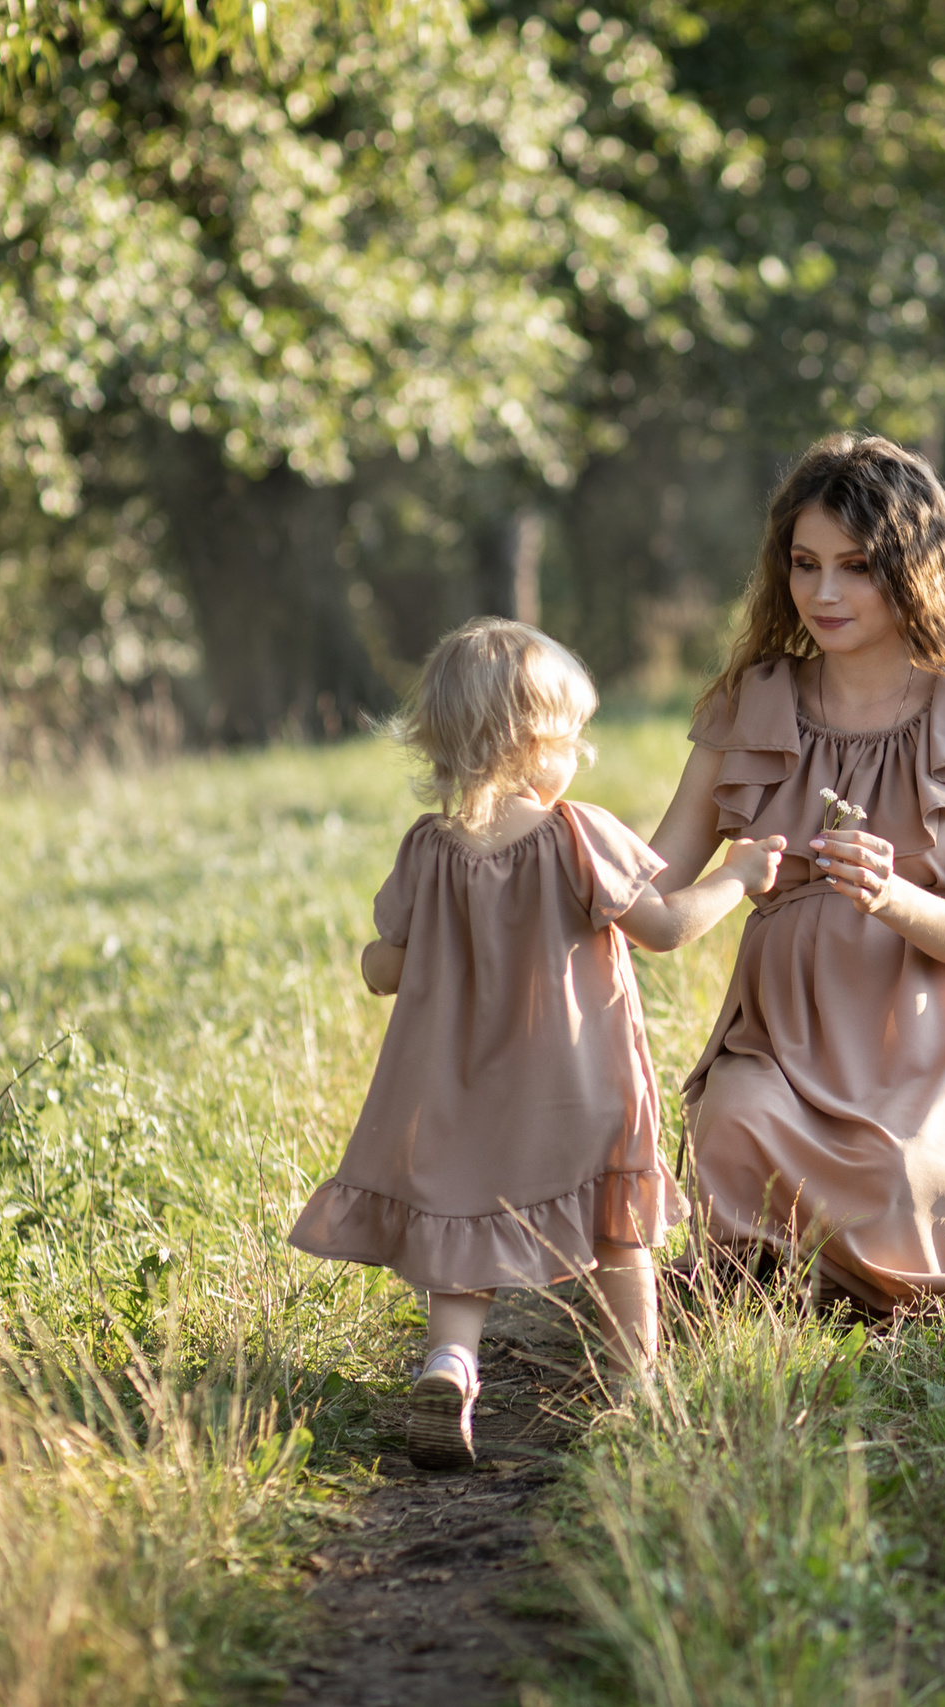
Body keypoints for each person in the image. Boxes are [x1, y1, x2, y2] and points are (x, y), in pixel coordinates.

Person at [289, 618, 785, 1471]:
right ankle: (635, 1390)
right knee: (620, 1235)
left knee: (464, 1235)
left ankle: (451, 1362)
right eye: (571, 739)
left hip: (460, 1097)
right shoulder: (575, 835)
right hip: (577, 1087)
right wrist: (735, 878)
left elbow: (387, 965)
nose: (580, 757)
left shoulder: (429, 850)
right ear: (527, 747)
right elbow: (661, 927)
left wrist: (379, 960)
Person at [650, 433, 945, 1315]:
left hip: (934, 1050)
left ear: (916, 568)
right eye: (805, 565)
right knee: (728, 1118)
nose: (823, 593)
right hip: (778, 1049)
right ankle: (812, 1275)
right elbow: (652, 875)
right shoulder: (753, 702)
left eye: (856, 567)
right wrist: (536, 843)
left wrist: (891, 894)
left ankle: (853, 1270)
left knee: (901, 1172)